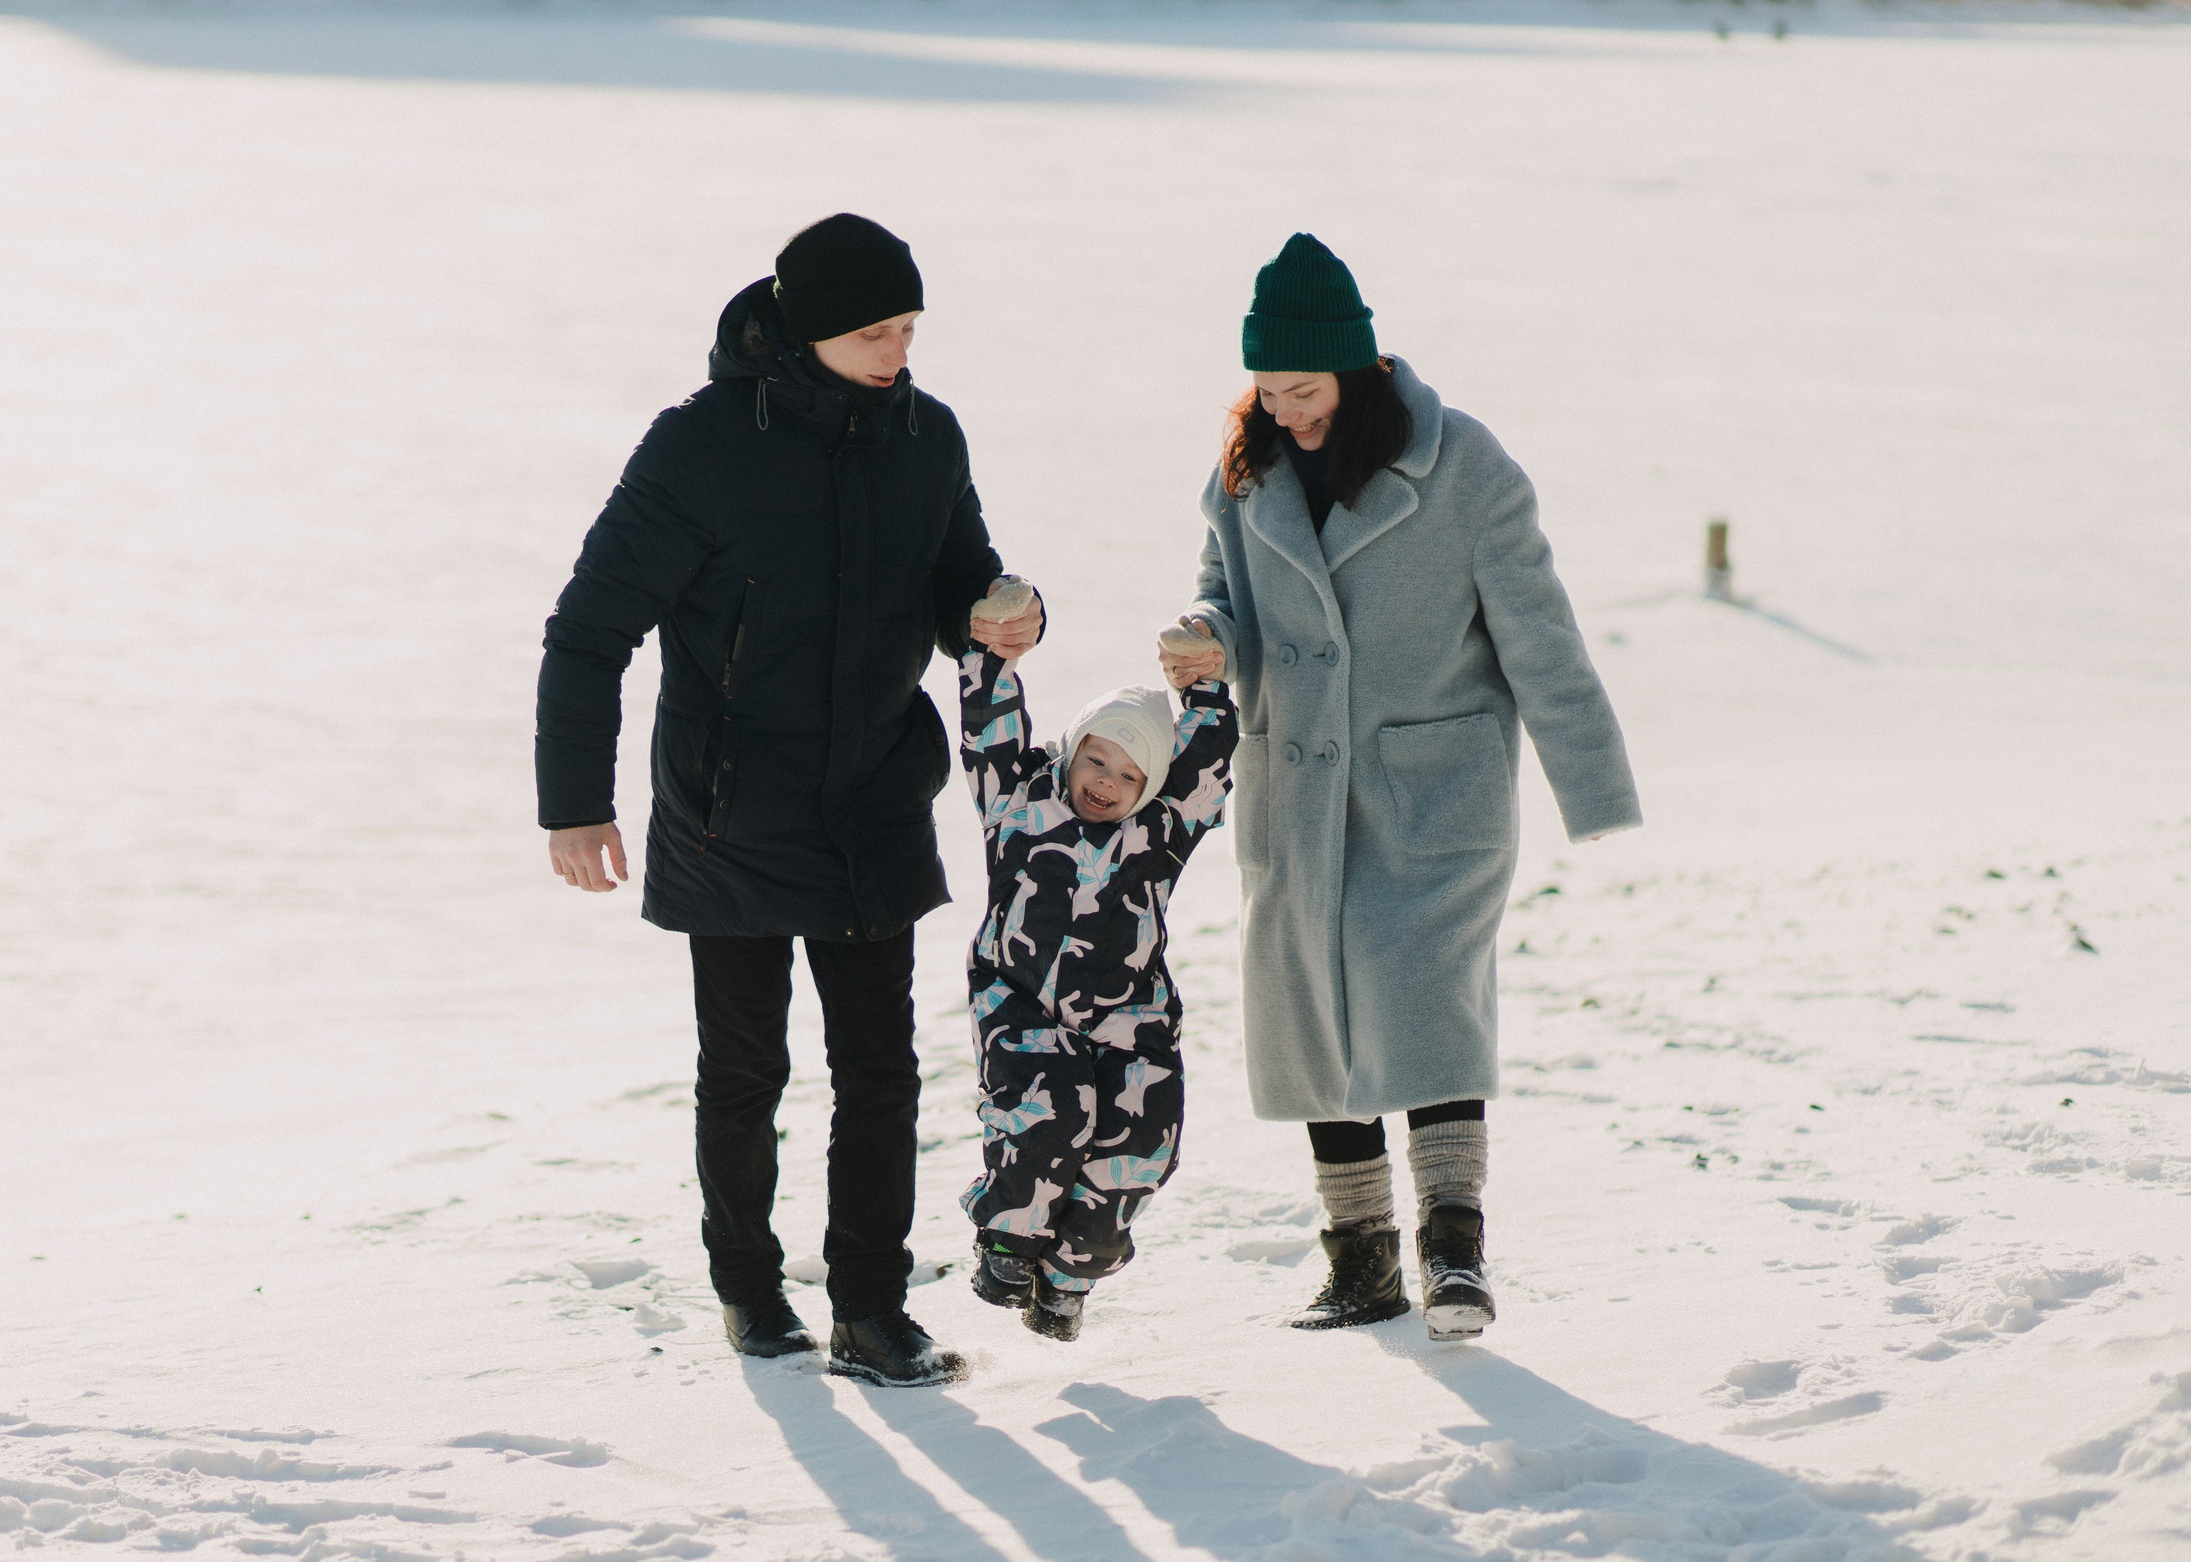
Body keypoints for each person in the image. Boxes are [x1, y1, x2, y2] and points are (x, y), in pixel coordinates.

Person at [535, 213, 1042, 1388]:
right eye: (872, 330)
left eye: (908, 328)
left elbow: (958, 574)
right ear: (808, 330)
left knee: (882, 1066)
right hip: (732, 803)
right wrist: (576, 804)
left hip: (871, 792)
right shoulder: (702, 445)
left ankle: (872, 1307)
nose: (895, 351)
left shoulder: (927, 435)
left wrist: (999, 612)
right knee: (744, 1068)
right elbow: (590, 630)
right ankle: (751, 1292)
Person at [1170, 234, 1640, 1340]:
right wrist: (1206, 633)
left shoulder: (1463, 466)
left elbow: (1541, 638)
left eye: (1303, 388)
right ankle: (1360, 1262)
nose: (1284, 410)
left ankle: (1453, 1252)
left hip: (1431, 789)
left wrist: (1594, 793)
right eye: (1267, 389)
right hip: (1295, 789)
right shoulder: (1247, 471)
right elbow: (1222, 594)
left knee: (1422, 997)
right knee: (1311, 1018)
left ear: (1360, 368)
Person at [953, 578, 1237, 1342]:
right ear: (1075, 750)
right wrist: (991, 655)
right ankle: (1010, 1241)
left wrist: (1205, 687)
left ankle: (1072, 1275)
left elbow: (1207, 764)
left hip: (1130, 1019)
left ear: (1149, 787)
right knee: (1051, 1115)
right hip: (1019, 1004)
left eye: (1128, 774)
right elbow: (989, 729)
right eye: (1096, 760)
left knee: (1141, 1146)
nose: (1105, 782)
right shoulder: (1018, 802)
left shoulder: (1161, 834)